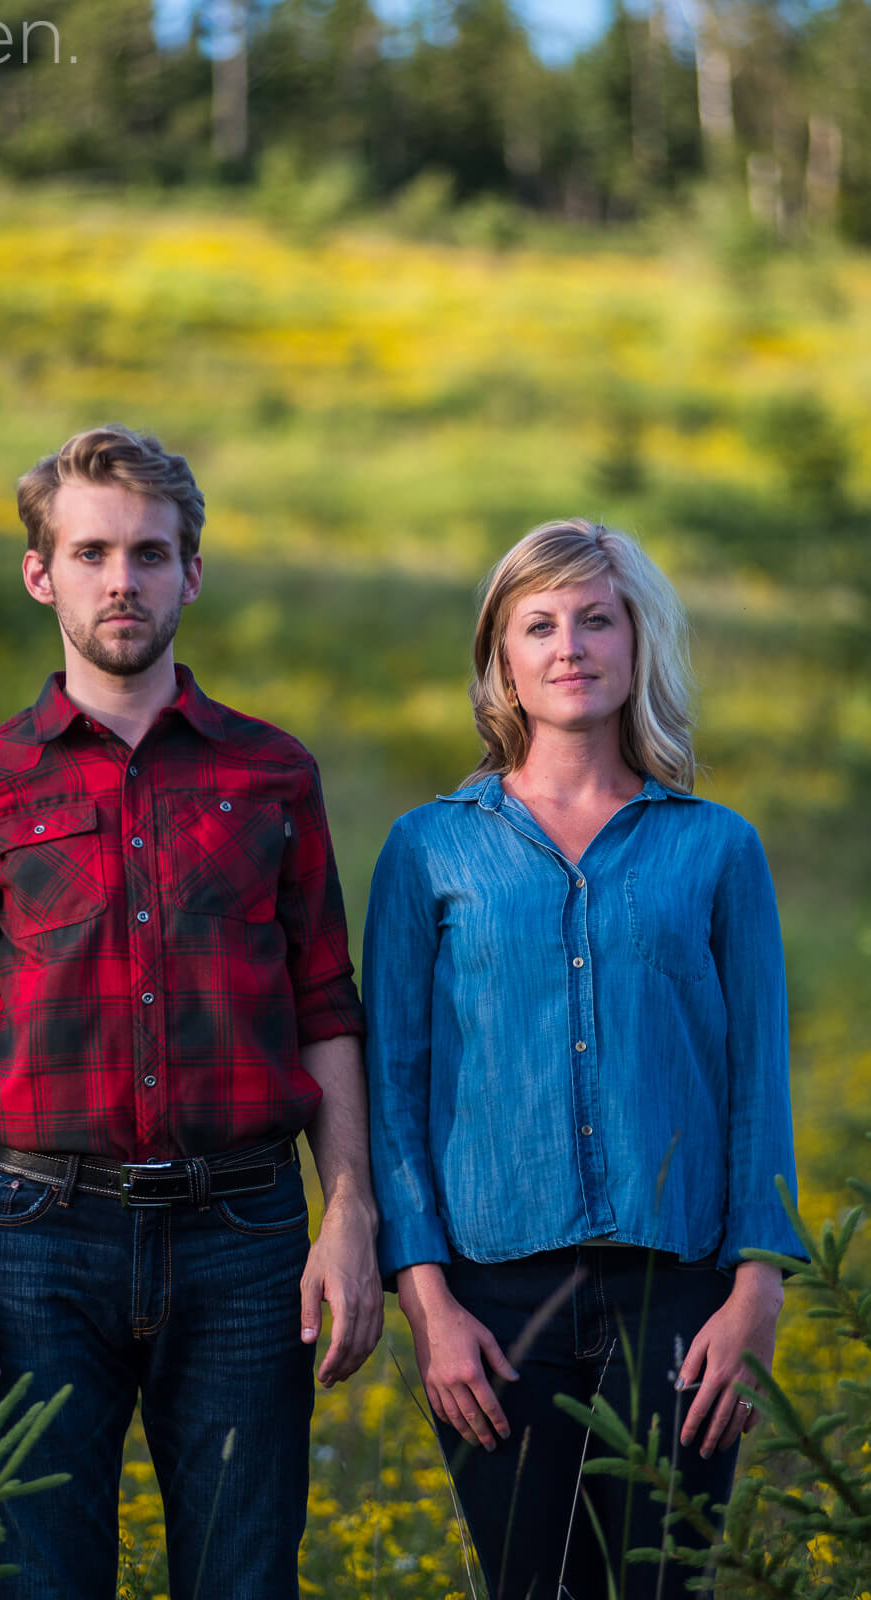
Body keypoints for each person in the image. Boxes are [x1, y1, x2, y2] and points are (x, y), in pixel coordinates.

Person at [0, 423, 382, 1600]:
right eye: (94, 551)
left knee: (243, 1577)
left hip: (245, 1240)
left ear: (192, 574)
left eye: (152, 554)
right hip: (31, 1240)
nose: (124, 580)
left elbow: (327, 1001)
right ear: (41, 572)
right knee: (41, 1580)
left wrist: (351, 1209)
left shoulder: (272, 774)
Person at [363, 518, 804, 1600]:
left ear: (637, 642)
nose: (571, 646)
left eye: (597, 619)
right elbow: (392, 1093)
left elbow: (759, 1085)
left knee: (662, 1585)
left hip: (682, 1298)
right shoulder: (428, 849)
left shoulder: (716, 846)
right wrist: (429, 1308)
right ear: (500, 657)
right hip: (496, 1302)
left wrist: (756, 1294)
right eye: (541, 623)